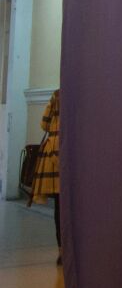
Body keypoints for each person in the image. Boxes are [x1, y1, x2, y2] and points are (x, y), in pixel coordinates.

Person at [31, 89, 61, 262]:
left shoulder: (56, 95)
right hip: (72, 151)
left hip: (54, 152)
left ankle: (61, 251)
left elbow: (44, 124)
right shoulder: (80, 94)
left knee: (58, 206)